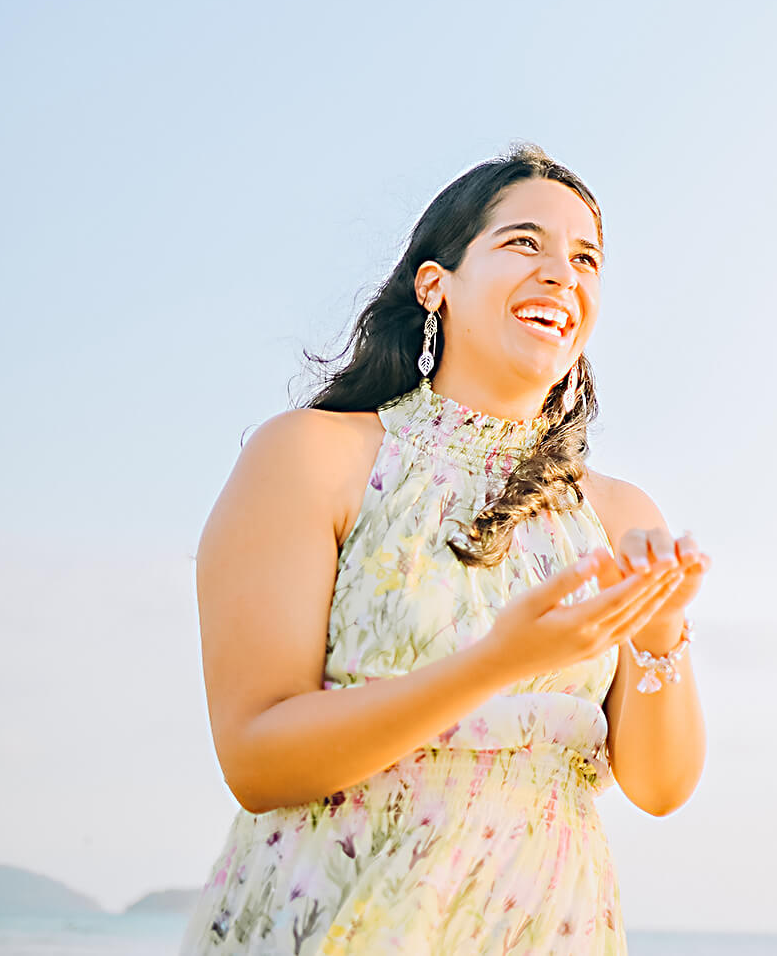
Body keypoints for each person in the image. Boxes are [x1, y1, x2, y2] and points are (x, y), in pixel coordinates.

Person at [180, 145, 708, 955]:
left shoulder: (616, 511)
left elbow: (663, 786)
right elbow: (256, 756)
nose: (562, 274)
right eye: (524, 243)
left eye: (585, 258)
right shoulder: (315, 456)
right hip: (340, 922)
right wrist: (495, 663)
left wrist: (660, 632)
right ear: (437, 285)